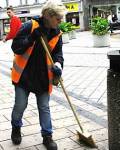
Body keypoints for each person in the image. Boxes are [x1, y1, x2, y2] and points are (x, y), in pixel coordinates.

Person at [10, 0, 66, 150]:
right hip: (24, 76)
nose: (60, 21)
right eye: (58, 18)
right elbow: (16, 47)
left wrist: (58, 65)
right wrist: (31, 38)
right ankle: (16, 127)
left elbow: (58, 54)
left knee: (44, 107)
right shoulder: (30, 26)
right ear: (48, 15)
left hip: (43, 77)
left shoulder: (56, 32)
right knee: (20, 105)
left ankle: (47, 136)